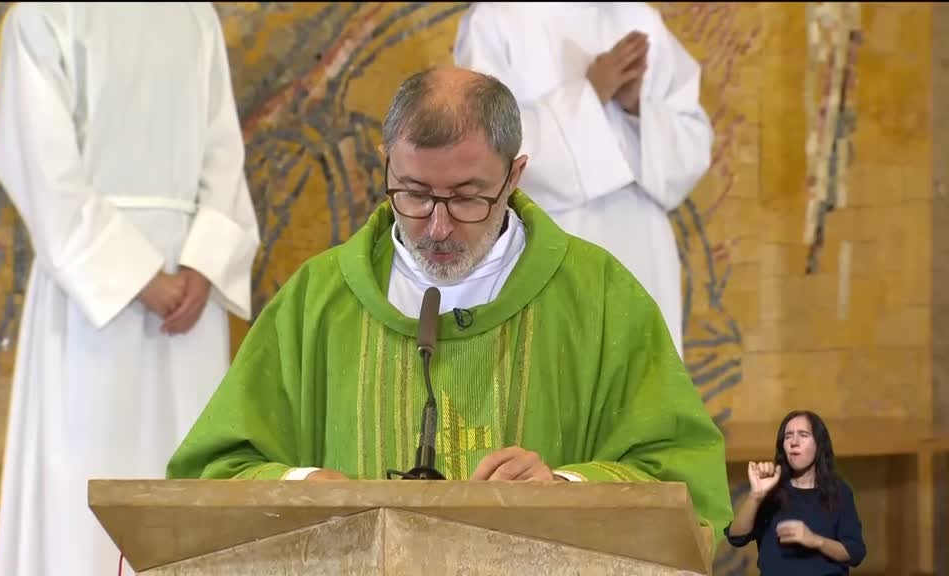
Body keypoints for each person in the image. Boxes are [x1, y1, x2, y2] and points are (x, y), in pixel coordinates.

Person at [165, 66, 732, 546]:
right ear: (385, 163)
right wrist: (303, 485)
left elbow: (687, 485)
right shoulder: (317, 302)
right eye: (413, 193)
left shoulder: (600, 298)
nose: (437, 226)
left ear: (514, 176)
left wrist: (565, 490)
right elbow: (210, 477)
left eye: (465, 197)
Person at [0, 3, 259, 575]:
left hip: (186, 297)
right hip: (93, 297)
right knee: (84, 475)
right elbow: (41, 166)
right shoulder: (43, 16)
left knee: (185, 471)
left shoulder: (192, 16)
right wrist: (139, 275)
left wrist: (204, 263)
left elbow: (222, 151)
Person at [453, 2, 714, 358]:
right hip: (550, 239)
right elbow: (483, 144)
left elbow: (694, 142)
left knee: (643, 390)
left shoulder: (638, 19)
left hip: (642, 245)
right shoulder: (497, 19)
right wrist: (589, 96)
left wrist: (638, 107)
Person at [725, 411, 867, 574]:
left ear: (819, 444)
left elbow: (855, 553)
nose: (794, 442)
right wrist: (756, 495)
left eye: (803, 435)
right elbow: (736, 538)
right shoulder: (772, 489)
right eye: (788, 436)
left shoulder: (839, 491)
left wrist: (814, 540)